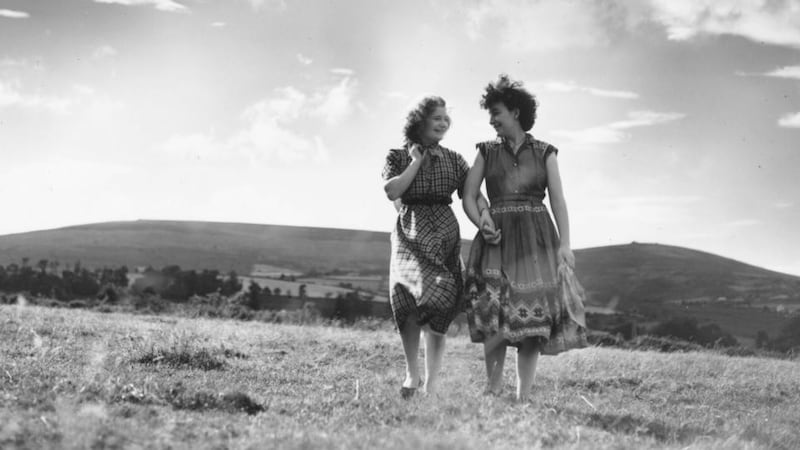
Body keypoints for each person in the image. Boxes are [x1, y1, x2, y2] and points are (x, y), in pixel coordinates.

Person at [462, 75, 587, 402]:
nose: (491, 120)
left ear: (516, 112)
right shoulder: (486, 152)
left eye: (497, 112)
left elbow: (558, 201)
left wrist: (565, 244)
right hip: (497, 242)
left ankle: (523, 397)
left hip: (536, 241)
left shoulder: (546, 152)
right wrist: (482, 221)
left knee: (532, 321)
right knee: (496, 319)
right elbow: (468, 195)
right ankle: (492, 389)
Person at [382, 96, 488, 398]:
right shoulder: (397, 156)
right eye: (436, 118)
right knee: (406, 300)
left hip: (443, 234)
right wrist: (416, 161)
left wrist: (487, 219)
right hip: (409, 231)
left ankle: (433, 382)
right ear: (420, 121)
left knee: (440, 302)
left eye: (446, 118)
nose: (443, 123)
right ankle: (411, 375)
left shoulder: (454, 159)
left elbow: (473, 194)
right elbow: (392, 191)